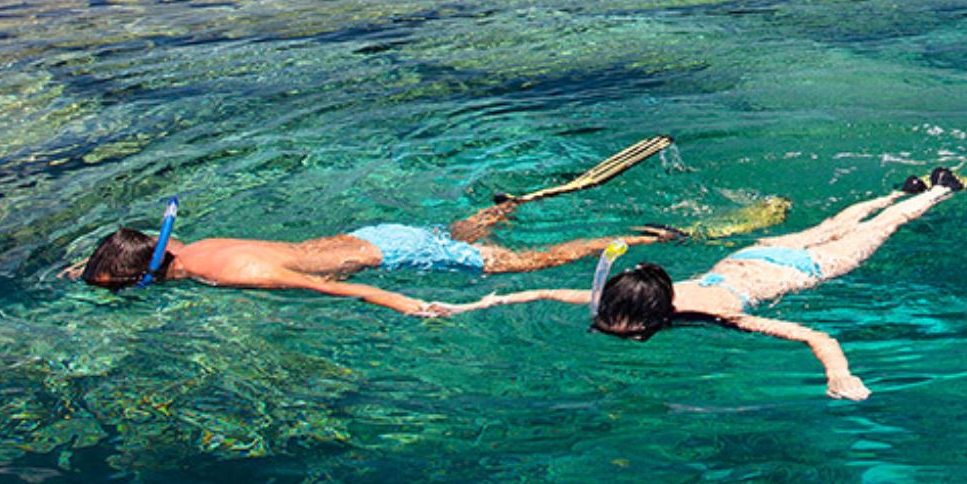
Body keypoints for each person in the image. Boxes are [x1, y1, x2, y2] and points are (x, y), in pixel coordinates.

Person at [437, 167, 967, 400]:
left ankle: (936, 191)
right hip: (758, 258)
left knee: (871, 231)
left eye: (628, 333)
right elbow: (541, 290)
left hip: (799, 270)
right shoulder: (617, 297)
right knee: (833, 225)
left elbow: (817, 337)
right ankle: (898, 190)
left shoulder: (719, 315)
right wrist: (471, 306)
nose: (623, 333)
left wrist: (840, 378)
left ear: (656, 318)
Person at [70, 138, 681, 316]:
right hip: (377, 234)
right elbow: (127, 260)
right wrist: (86, 270)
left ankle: (633, 236)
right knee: (460, 237)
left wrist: (406, 306)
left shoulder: (235, 273)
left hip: (391, 261)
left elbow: (340, 290)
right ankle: (505, 205)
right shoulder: (192, 248)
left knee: (527, 262)